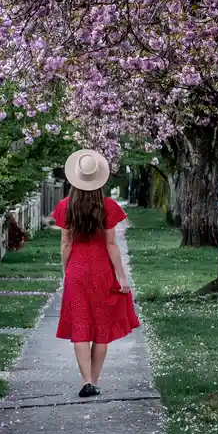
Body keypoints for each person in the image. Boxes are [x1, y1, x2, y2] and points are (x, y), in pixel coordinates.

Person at [51, 149, 141, 398]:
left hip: (77, 271)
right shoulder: (108, 207)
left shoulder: (65, 207)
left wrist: (66, 270)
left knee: (80, 325)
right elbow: (112, 245)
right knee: (102, 327)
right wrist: (121, 276)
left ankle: (86, 380)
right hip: (102, 271)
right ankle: (95, 380)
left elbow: (66, 244)